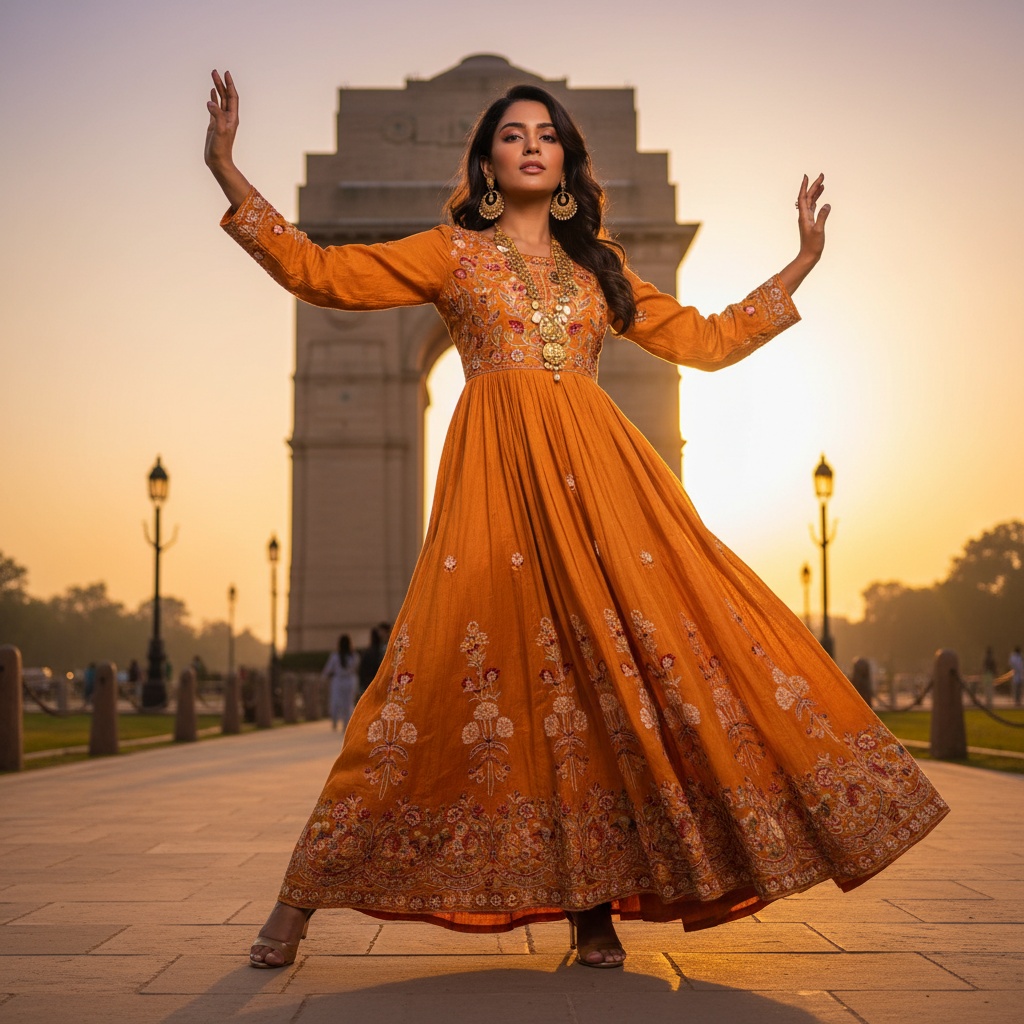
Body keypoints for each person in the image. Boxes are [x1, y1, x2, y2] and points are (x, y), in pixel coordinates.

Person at [205, 69, 948, 971]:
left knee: (607, 688)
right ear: (485, 163)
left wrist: (798, 264)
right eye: (511, 134)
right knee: (420, 680)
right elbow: (323, 273)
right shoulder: (450, 254)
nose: (529, 143)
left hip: (605, 489)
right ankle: (298, 900)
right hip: (494, 487)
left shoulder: (601, 271)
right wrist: (228, 172)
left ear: (564, 167)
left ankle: (594, 912)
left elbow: (703, 342)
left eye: (545, 135)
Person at [322, 634, 359, 732]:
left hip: (341, 680)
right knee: (344, 702)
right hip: (345, 680)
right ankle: (339, 721)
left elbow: (328, 669)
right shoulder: (351, 656)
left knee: (340, 702)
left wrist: (324, 678)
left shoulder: (345, 656)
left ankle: (345, 723)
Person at [357, 627, 385, 702]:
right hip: (379, 681)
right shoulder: (382, 652)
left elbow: (362, 669)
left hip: (368, 681)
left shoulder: (367, 652)